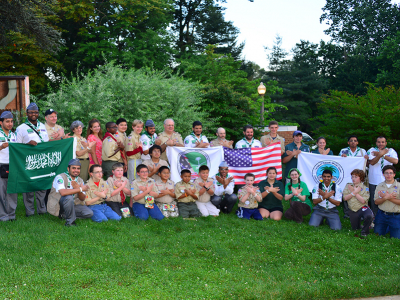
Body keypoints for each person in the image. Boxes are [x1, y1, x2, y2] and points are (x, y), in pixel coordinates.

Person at [16, 102, 49, 217]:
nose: (33, 114)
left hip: (41, 161)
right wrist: (27, 144)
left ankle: (42, 210)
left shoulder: (42, 126)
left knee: (41, 186)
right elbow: (17, 147)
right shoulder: (21, 128)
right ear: (27, 113)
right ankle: (29, 211)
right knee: (28, 186)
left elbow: (47, 143)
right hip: (28, 162)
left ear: (38, 113)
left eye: (35, 112)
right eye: (31, 112)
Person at [47, 159, 93, 226]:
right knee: (68, 197)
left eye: (78, 168)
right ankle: (70, 222)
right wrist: (79, 189)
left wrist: (78, 189)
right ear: (68, 169)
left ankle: (65, 215)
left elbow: (82, 198)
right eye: (73, 168)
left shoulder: (80, 180)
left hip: (73, 205)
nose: (76, 170)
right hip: (59, 205)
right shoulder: (60, 177)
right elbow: (63, 192)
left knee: (89, 213)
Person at [338, 135, 368, 219]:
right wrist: (341, 157)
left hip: (358, 177)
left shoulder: (362, 151)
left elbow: (367, 163)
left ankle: (360, 212)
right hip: (346, 175)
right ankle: (347, 213)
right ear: (348, 142)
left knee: (359, 193)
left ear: (357, 142)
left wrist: (366, 159)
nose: (353, 142)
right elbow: (339, 162)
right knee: (347, 192)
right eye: (351, 140)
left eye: (355, 140)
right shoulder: (343, 150)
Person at [367, 136, 398, 216]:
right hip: (374, 180)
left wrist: (383, 155)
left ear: (386, 143)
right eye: (379, 142)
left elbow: (395, 161)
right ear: (376, 143)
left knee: (388, 198)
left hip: (387, 180)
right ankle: (375, 218)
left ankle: (387, 216)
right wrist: (379, 154)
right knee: (375, 200)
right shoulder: (371, 150)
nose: (381, 143)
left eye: (382, 142)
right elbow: (372, 162)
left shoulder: (391, 151)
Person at [342, 169, 373, 237]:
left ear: (361, 178)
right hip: (352, 209)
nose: (353, 178)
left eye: (356, 177)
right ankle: (360, 226)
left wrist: (354, 192)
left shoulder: (365, 188)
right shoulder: (348, 186)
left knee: (369, 216)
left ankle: (365, 231)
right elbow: (345, 198)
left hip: (362, 208)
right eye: (352, 176)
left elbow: (363, 201)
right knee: (355, 228)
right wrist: (354, 192)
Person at [374, 165, 400, 239]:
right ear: (383, 174)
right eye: (386, 173)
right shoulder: (379, 186)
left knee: (396, 238)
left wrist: (388, 198)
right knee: (377, 235)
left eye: (391, 173)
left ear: (394, 174)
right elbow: (376, 202)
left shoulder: (399, 186)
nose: (389, 175)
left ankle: (390, 227)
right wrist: (385, 197)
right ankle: (387, 227)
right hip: (381, 215)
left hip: (395, 216)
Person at [0, 111, 17, 221]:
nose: (10, 124)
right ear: (1, 123)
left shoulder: (14, 135)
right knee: (1, 192)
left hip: (13, 166)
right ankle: (3, 215)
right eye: (7, 122)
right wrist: (1, 147)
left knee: (12, 191)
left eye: (11, 121)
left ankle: (11, 214)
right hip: (1, 165)